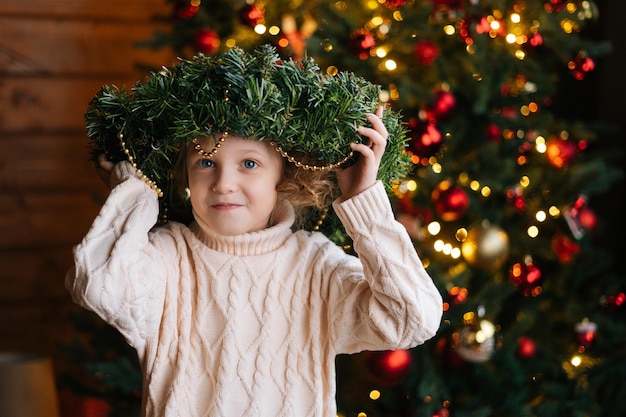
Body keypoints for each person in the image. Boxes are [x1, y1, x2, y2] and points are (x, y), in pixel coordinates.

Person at [66, 44, 442, 417]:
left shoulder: (315, 265)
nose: (224, 182)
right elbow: (98, 284)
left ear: (285, 175)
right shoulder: (168, 257)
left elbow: (410, 319)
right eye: (206, 162)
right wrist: (134, 188)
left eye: (249, 163)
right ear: (185, 173)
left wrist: (365, 204)